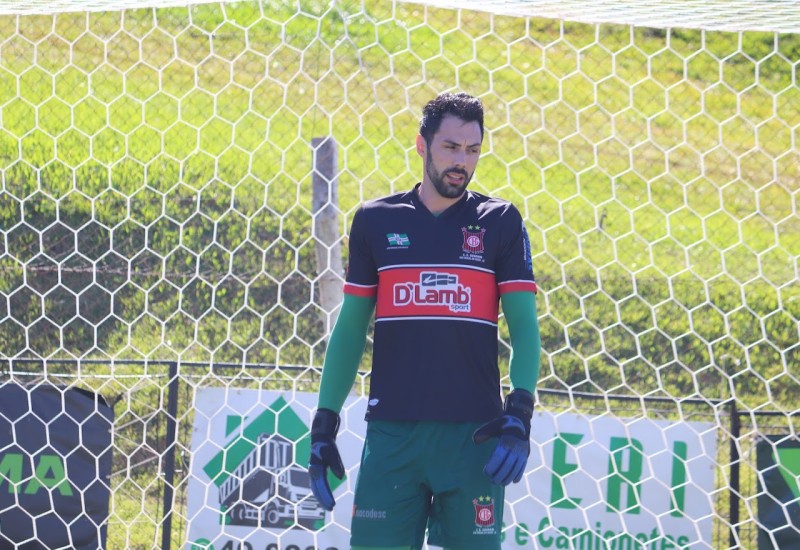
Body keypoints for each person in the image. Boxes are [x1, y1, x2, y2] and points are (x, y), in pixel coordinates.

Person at [307, 91, 541, 550]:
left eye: (472, 150)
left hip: (474, 440)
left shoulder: (501, 222)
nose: (463, 162)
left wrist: (520, 414)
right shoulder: (375, 221)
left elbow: (526, 330)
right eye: (451, 148)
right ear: (421, 145)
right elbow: (352, 329)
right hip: (393, 438)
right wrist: (323, 424)